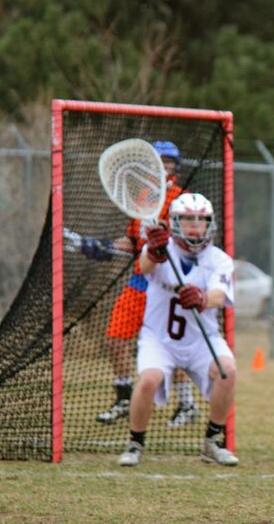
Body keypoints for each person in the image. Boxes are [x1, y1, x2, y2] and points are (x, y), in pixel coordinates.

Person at [82, 141, 200, 428]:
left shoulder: (181, 199)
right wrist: (105, 247)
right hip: (138, 281)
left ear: (175, 166)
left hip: (167, 285)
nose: (164, 166)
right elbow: (134, 241)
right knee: (114, 338)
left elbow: (190, 239)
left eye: (169, 162)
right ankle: (124, 398)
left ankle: (187, 403)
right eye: (159, 161)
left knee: (172, 346)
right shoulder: (143, 198)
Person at [117, 192, 238, 467]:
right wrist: (153, 252)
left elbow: (219, 296)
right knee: (149, 379)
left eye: (200, 220)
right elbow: (144, 266)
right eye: (187, 219)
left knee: (227, 371)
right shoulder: (161, 251)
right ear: (174, 222)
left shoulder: (219, 259)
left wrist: (203, 298)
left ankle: (213, 442)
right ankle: (135, 443)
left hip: (201, 338)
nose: (195, 226)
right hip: (159, 338)